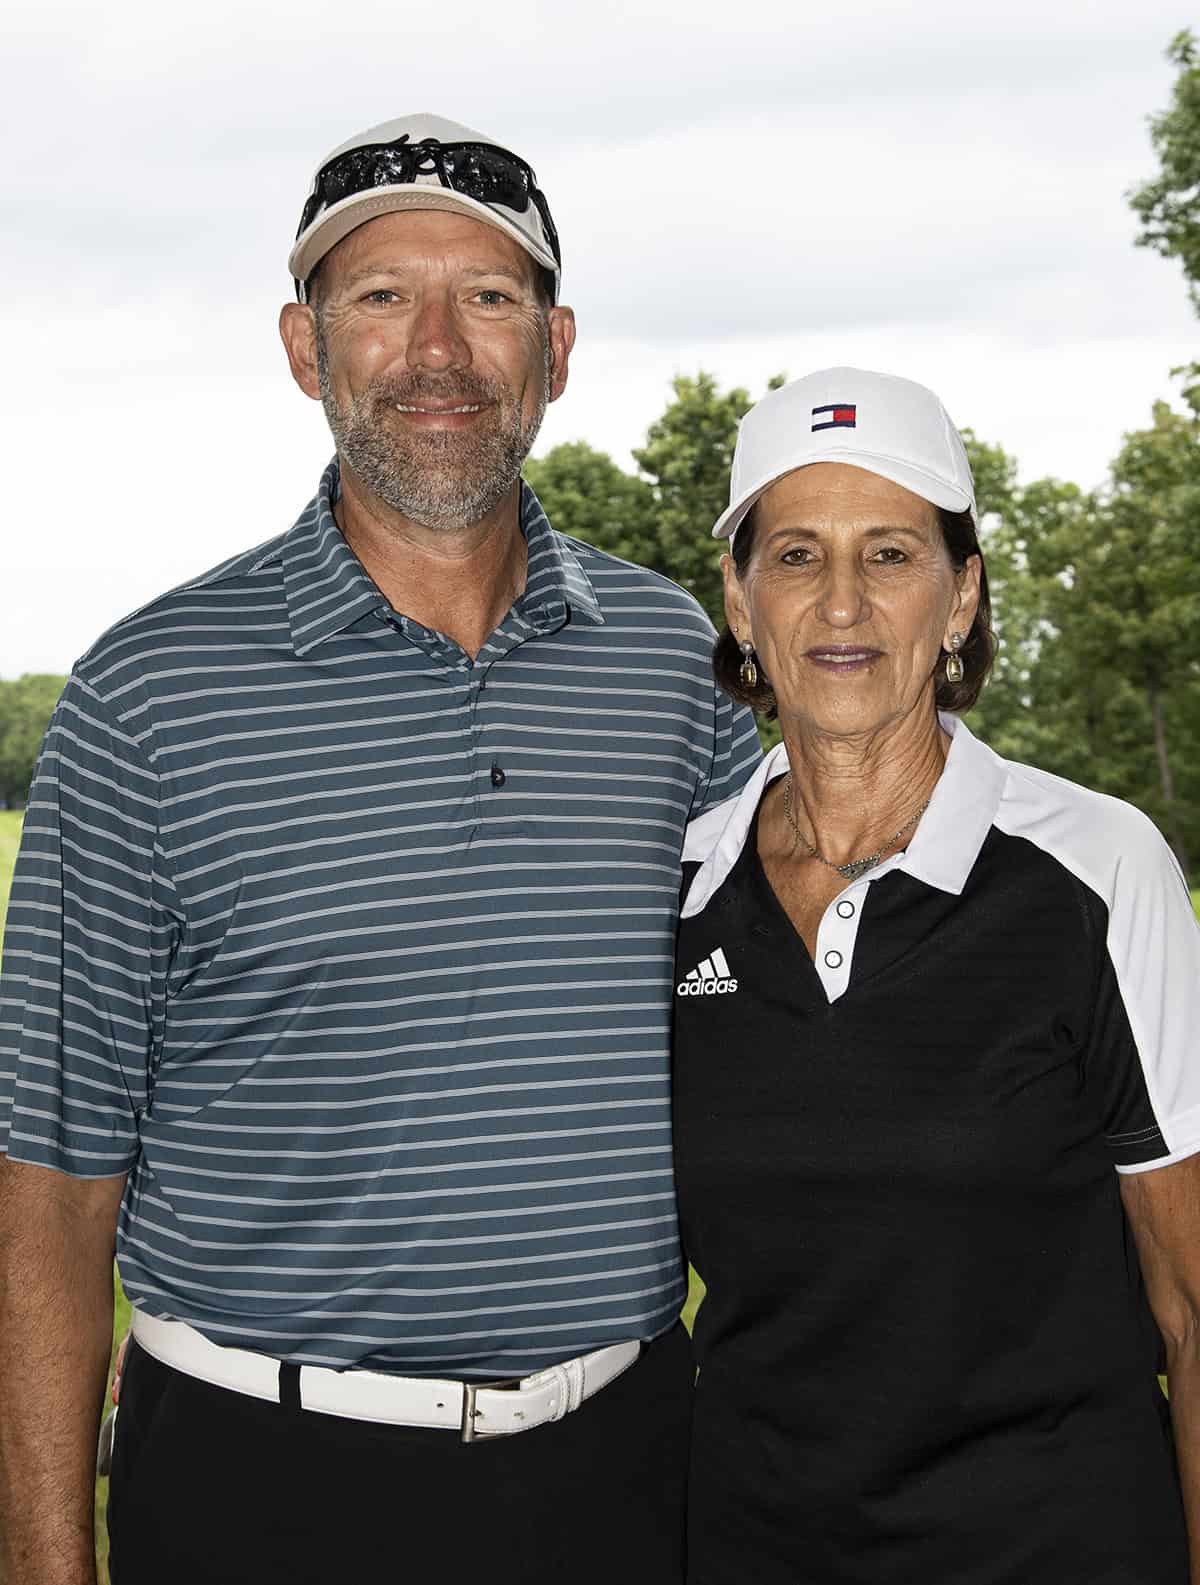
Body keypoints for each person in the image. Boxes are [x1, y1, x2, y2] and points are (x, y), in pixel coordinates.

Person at [0, 113, 761, 1585]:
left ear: (556, 349)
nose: (438, 350)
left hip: (627, 1468)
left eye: (490, 297)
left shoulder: (674, 664)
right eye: (381, 296)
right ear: (306, 347)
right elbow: (49, 1175)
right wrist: (41, 1558)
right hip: (262, 1484)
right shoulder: (149, 694)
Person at [672, 367, 1200, 1583]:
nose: (842, 602)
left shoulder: (1096, 869)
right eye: (796, 555)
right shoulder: (678, 889)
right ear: (741, 602)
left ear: (961, 596)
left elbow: (1189, 1301)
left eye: (891, 553)